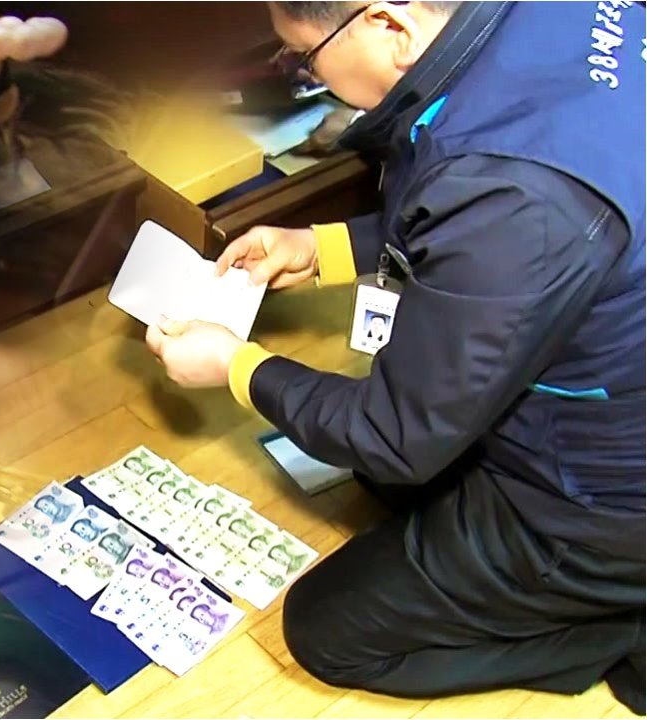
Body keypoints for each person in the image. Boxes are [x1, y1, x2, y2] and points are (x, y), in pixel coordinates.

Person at [144, 1, 644, 712]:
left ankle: (618, 626)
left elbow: (395, 436)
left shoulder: (514, 194)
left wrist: (235, 366)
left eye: (304, 58)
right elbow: (476, 228)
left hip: (602, 505)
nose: (307, 76)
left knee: (326, 630)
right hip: (606, 384)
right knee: (378, 479)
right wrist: (322, 247)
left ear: (389, 27)